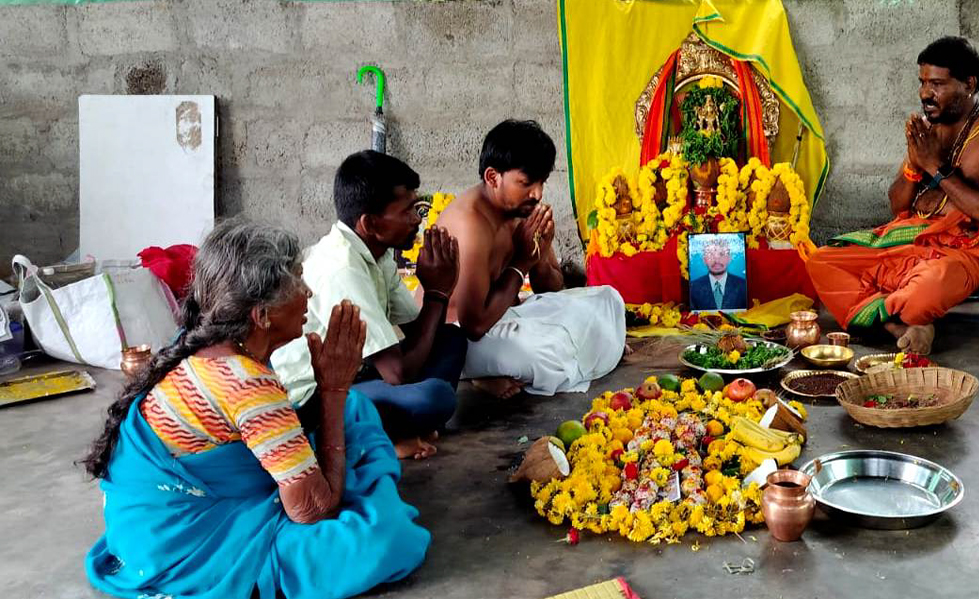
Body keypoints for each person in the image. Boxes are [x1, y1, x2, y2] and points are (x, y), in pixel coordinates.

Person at [82, 220, 429, 599]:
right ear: (262, 315)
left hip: (144, 529)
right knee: (384, 539)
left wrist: (337, 396)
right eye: (298, 280)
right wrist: (331, 389)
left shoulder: (204, 343)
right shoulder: (245, 383)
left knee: (356, 407)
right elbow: (313, 512)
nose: (308, 292)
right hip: (181, 546)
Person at [806, 36, 979, 354]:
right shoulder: (929, 127)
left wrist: (934, 166)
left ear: (969, 83)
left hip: (975, 247)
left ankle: (896, 309)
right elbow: (898, 207)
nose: (925, 93)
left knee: (929, 287)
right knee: (821, 262)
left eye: (937, 83)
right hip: (913, 237)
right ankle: (902, 324)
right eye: (922, 82)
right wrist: (913, 164)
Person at [273, 150, 464, 459]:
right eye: (407, 211)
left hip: (358, 373)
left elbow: (419, 332)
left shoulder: (379, 252)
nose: (417, 219)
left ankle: (402, 427)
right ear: (370, 223)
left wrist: (437, 290)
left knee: (451, 339)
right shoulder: (342, 268)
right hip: (313, 398)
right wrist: (438, 294)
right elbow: (397, 373)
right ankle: (388, 437)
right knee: (434, 397)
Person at [431, 119, 625, 397]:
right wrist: (521, 263)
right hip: (456, 334)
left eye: (541, 182)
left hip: (507, 318)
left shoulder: (523, 208)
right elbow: (474, 326)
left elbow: (550, 289)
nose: (538, 194)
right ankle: (474, 373)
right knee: (543, 354)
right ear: (492, 177)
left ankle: (500, 368)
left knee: (608, 299)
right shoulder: (471, 224)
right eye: (526, 183)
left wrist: (540, 250)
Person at [689, 236, 747, 311]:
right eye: (711, 255)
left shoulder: (743, 286)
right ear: (704, 260)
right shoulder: (693, 287)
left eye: (721, 254)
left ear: (729, 258)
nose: (716, 260)